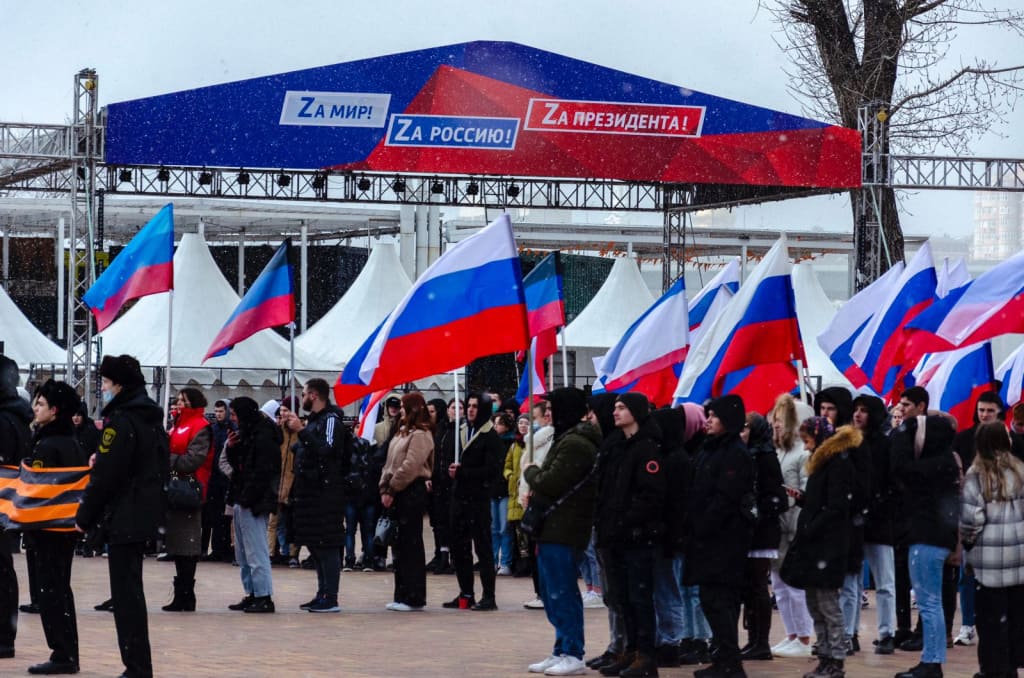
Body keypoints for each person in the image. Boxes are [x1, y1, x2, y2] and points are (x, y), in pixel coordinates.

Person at [76, 355, 166, 678]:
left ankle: (136, 666)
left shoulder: (123, 420)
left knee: (126, 596)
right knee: (131, 592)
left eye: (105, 382)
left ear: (120, 385)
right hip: (142, 513)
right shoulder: (150, 418)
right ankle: (138, 664)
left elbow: (108, 476)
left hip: (125, 515)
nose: (103, 388)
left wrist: (85, 516)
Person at [523, 387, 600, 677]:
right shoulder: (565, 439)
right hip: (553, 526)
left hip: (564, 527)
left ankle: (573, 652)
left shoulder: (576, 444)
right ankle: (561, 648)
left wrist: (531, 472)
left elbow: (550, 482)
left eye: (554, 408)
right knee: (551, 591)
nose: (549, 414)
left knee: (562, 591)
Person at [780, 416, 857, 678]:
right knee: (815, 603)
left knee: (827, 604)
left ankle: (835, 659)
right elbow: (822, 501)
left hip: (827, 545)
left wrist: (812, 524)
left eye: (808, 439)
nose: (806, 446)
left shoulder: (836, 463)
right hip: (816, 544)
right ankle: (825, 655)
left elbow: (836, 507)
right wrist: (803, 500)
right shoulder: (823, 463)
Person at [595, 393, 666, 678]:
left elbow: (651, 495)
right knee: (622, 597)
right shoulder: (619, 447)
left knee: (639, 597)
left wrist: (626, 521)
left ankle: (646, 656)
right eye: (615, 407)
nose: (615, 412)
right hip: (615, 536)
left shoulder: (647, 449)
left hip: (636, 537)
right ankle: (631, 649)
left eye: (622, 408)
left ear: (636, 412)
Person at [683, 395, 754, 678]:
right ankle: (723, 656)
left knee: (722, 601)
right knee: (710, 600)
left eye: (714, 416)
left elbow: (726, 497)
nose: (708, 421)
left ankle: (730, 662)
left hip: (724, 540)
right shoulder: (709, 449)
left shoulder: (735, 452)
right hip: (705, 540)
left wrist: (703, 525)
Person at [890, 414, 961, 678]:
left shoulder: (933, 465)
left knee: (929, 602)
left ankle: (932, 661)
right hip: (936, 537)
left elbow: (899, 467)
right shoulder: (946, 462)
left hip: (927, 538)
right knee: (932, 602)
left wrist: (901, 434)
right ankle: (932, 660)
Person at [25, 379, 86, 675]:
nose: (35, 409)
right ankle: (66, 651)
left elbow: (37, 489)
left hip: (48, 528)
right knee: (60, 589)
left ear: (55, 410)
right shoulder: (70, 441)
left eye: (41, 404)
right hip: (64, 528)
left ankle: (62, 653)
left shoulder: (49, 445)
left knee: (51, 590)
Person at [960, 422, 1024, 678]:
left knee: (990, 620)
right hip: (1019, 559)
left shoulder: (976, 475)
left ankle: (992, 669)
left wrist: (968, 543)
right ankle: (1011, 665)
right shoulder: (1020, 471)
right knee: (1015, 617)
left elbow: (971, 521)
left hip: (989, 562)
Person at [283, 378, 351, 613]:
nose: (301, 399)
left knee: (328, 544)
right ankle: (321, 591)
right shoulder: (313, 422)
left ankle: (330, 595)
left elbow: (328, 451)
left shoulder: (331, 420)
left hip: (326, 493)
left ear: (313, 395)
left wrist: (302, 432)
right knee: (315, 544)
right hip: (309, 492)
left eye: (303, 395)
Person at [444, 392, 505, 611]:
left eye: (475, 406)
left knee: (483, 548)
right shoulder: (461, 431)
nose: (470, 409)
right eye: (468, 405)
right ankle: (465, 593)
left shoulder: (490, 436)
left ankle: (489, 596)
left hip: (478, 500)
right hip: (459, 498)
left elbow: (492, 471)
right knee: (459, 548)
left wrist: (464, 473)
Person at [223, 396, 281, 614]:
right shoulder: (250, 434)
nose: (233, 419)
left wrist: (248, 496)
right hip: (244, 497)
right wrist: (232, 448)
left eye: (235, 415)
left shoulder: (263, 436)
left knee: (256, 550)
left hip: (254, 500)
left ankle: (263, 594)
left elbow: (262, 472)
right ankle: (252, 592)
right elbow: (240, 466)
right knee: (244, 552)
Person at [850, 395, 898, 654]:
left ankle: (886, 632)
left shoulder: (884, 445)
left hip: (879, 521)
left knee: (884, 582)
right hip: (856, 521)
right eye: (856, 410)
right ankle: (851, 632)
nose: (858, 415)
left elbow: (889, 482)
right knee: (852, 583)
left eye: (864, 411)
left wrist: (875, 506)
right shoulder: (849, 442)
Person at [739, 411, 787, 662]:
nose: (742, 433)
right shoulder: (745, 455)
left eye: (746, 428)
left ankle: (761, 642)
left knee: (757, 587)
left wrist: (756, 510)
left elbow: (776, 497)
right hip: (749, 530)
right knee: (749, 588)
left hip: (762, 532)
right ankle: (752, 639)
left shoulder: (766, 457)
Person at [379, 392, 434, 611]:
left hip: (411, 490)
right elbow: (389, 462)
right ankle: (401, 593)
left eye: (403, 406)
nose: (400, 410)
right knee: (399, 544)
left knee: (411, 543)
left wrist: (393, 487)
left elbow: (411, 465)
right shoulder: (401, 433)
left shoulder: (420, 434)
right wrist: (384, 485)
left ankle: (414, 596)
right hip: (396, 490)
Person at [162, 387, 214, 613]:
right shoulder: (178, 425)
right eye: (178, 400)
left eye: (183, 400)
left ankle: (186, 594)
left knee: (188, 542)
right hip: (176, 486)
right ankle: (182, 593)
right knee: (178, 543)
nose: (179, 403)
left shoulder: (201, 427)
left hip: (190, 487)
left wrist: (168, 458)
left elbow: (194, 460)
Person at [649, 406, 691, 668]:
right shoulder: (669, 455)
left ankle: (671, 640)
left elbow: (676, 503)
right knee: (663, 591)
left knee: (668, 591)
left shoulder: (676, 459)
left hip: (671, 536)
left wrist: (671, 535)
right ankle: (666, 638)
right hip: (666, 534)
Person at [0, 356, 29, 661]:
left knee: (2, 572)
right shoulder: (16, 415)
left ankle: (4, 636)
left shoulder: (6, 419)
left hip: (3, 504)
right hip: (9, 506)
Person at [520, 399, 555, 610]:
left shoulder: (550, 439)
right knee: (534, 548)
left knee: (540, 551)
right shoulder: (533, 440)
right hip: (529, 497)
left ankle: (545, 592)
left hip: (540, 498)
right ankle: (540, 591)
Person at [202, 399, 234, 563]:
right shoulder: (212, 430)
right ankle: (216, 549)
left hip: (226, 479)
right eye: (216, 411)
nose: (218, 414)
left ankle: (226, 548)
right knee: (215, 516)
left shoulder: (232, 430)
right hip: (214, 479)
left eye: (221, 411)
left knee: (226, 517)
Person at [268, 396, 299, 566]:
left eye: (286, 410)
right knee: (273, 520)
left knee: (292, 521)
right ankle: (271, 552)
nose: (283, 414)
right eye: (281, 411)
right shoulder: (277, 430)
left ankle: (293, 553)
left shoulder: (300, 431)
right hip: (277, 481)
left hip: (293, 481)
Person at [426, 398, 454, 573]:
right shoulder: (429, 431)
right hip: (434, 483)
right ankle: (438, 553)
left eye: (432, 412)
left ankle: (446, 555)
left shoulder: (445, 432)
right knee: (436, 522)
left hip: (447, 483)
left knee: (446, 521)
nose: (429, 415)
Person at [504, 414, 530, 578]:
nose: (522, 425)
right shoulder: (514, 445)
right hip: (514, 492)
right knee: (515, 531)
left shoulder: (531, 445)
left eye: (526, 423)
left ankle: (525, 565)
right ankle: (517, 563)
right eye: (520, 422)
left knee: (524, 534)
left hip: (525, 491)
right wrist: (510, 475)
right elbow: (507, 465)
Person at [491, 412, 516, 576]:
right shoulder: (491, 443)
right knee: (493, 528)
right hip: (492, 489)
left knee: (504, 528)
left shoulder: (512, 443)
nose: (495, 426)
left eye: (499, 423)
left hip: (505, 490)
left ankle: (505, 561)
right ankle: (492, 560)